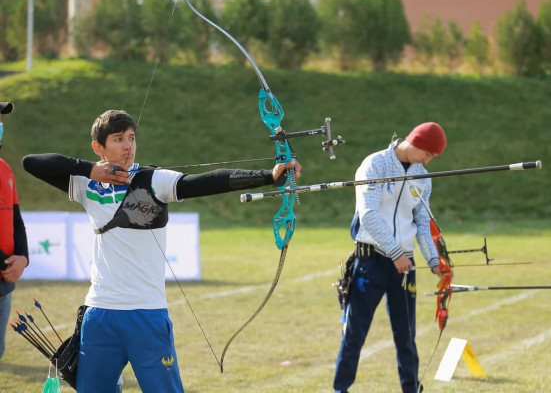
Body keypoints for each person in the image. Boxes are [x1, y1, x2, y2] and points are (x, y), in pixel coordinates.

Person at [23, 109, 300, 392]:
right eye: (118, 139)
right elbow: (31, 163)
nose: (127, 145)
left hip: (147, 314)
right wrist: (90, 169)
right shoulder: (86, 185)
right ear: (99, 147)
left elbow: (203, 182)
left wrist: (267, 176)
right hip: (100, 313)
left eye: (131, 138)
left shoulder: (154, 180)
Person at [333, 122, 451, 393]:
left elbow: (422, 221)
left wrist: (434, 260)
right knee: (354, 333)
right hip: (370, 262)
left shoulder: (422, 176)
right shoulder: (374, 165)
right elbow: (369, 215)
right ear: (416, 142)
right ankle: (341, 390)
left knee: (406, 336)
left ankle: (411, 389)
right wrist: (395, 252)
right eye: (428, 154)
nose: (427, 162)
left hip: (404, 265)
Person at [0, 101, 29, 361]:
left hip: (4, 282)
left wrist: (23, 257)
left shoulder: (5, 168)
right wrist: (6, 264)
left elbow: (16, 220)